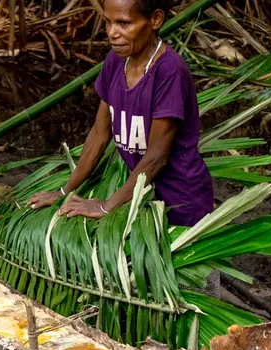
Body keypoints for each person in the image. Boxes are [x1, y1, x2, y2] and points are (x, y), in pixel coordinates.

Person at [27, 0, 214, 228]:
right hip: (139, 195)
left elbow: (157, 156)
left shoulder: (169, 72)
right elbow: (99, 134)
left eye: (124, 23)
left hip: (180, 202)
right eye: (108, 22)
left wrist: (106, 207)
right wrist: (64, 191)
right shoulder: (116, 61)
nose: (112, 33)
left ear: (155, 19)